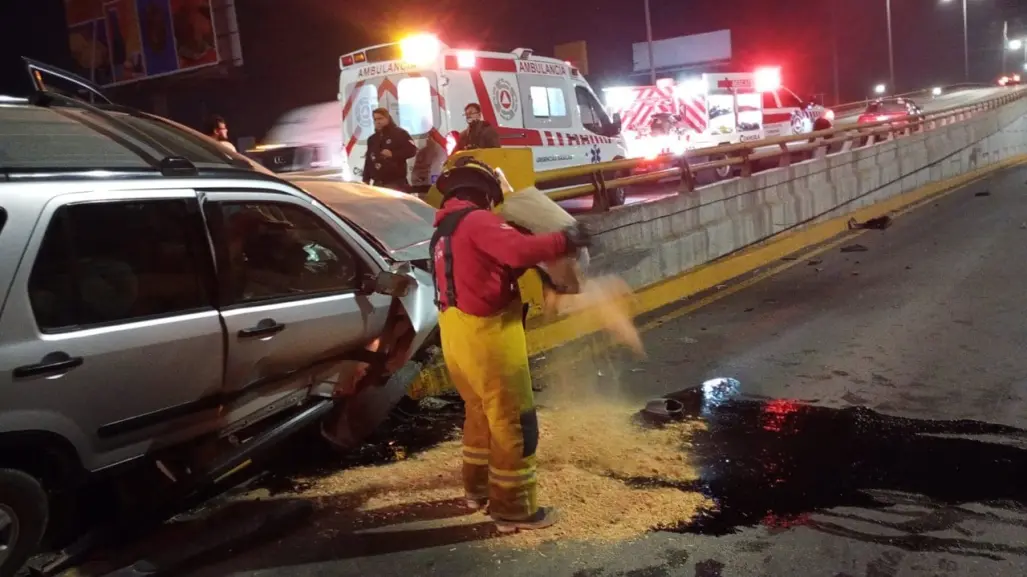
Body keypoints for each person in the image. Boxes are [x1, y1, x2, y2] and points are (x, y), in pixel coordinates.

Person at [430, 157, 591, 533]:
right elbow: (517, 252)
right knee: (514, 422)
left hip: (456, 336)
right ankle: (513, 509)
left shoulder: (444, 230)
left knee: (479, 414)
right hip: (489, 339)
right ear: (484, 194)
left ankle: (476, 491)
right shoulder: (478, 220)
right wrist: (566, 239)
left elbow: (488, 266)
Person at [363, 108, 418, 191]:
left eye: (380, 118)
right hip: (377, 184)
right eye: (375, 119)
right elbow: (368, 161)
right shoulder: (372, 139)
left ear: (388, 118)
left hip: (395, 182)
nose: (378, 122)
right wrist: (365, 180)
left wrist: (393, 154)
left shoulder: (400, 134)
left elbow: (412, 150)